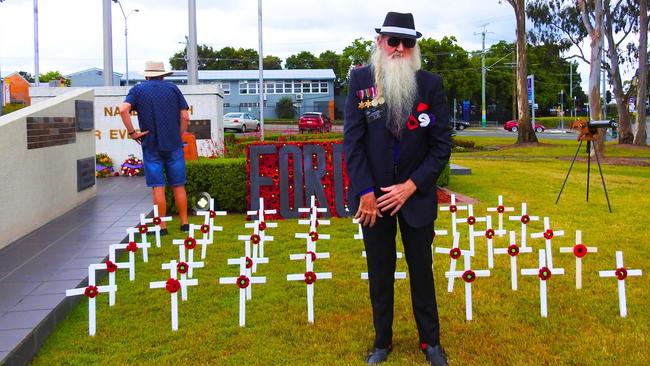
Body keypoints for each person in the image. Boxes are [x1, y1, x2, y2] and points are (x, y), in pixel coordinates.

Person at [343, 12, 452, 366]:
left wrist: (410, 186)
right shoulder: (360, 81)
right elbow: (353, 143)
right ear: (380, 42)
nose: (400, 48)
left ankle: (430, 343)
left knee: (422, 269)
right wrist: (365, 192)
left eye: (408, 43)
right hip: (372, 199)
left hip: (414, 196)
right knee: (380, 270)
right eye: (393, 41)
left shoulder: (430, 85)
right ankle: (381, 342)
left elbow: (440, 146)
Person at [119, 60, 190, 234]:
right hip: (173, 144)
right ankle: (184, 223)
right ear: (163, 74)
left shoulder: (138, 90)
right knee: (178, 185)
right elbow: (185, 117)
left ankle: (162, 227)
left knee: (158, 186)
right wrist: (178, 134)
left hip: (151, 144)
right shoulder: (173, 89)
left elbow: (122, 109)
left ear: (146, 75)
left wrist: (132, 132)